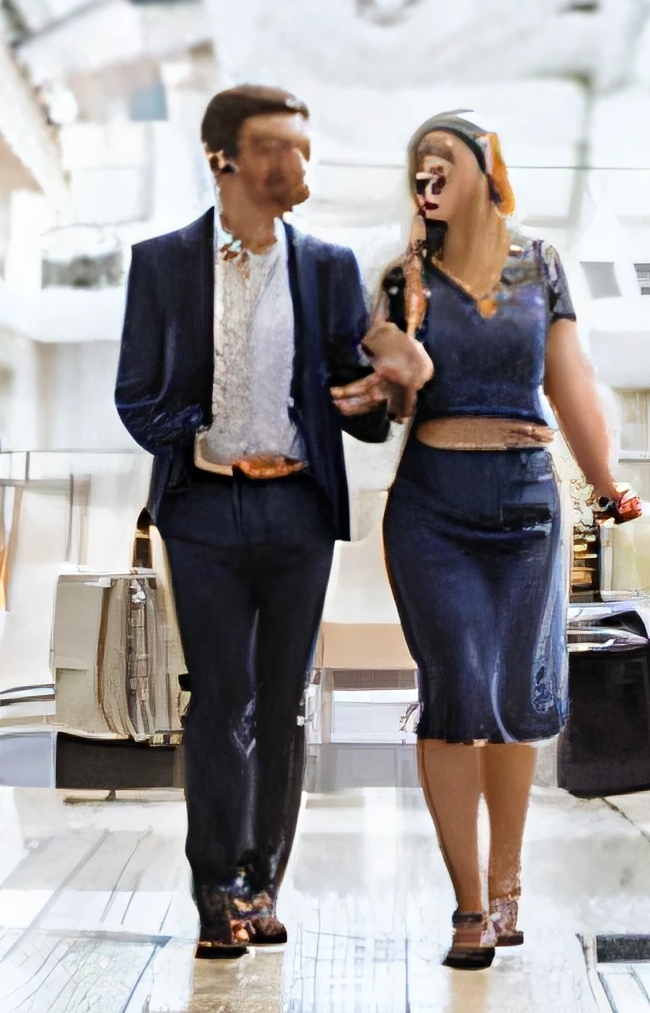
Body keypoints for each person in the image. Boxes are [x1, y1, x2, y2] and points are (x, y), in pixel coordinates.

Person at [114, 85, 393, 959]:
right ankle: (216, 891)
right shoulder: (162, 263)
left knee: (283, 705)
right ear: (222, 158)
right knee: (220, 701)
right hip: (202, 511)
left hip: (299, 512)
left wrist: (378, 390)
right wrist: (207, 449)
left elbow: (358, 407)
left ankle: (265, 880)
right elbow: (136, 397)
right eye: (275, 147)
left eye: (304, 149)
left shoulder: (330, 268)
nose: (295, 165)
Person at [367, 112, 639, 971]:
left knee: (516, 702)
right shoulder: (402, 279)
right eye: (418, 164)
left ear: (485, 168)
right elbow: (390, 411)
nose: (427, 173)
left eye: (442, 158)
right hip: (433, 509)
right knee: (456, 694)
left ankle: (510, 881)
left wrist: (605, 480)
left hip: (527, 506)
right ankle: (470, 906)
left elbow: (570, 381)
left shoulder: (540, 265)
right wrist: (398, 364)